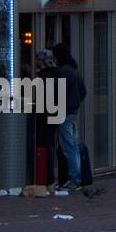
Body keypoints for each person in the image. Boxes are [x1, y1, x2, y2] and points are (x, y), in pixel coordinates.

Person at [41, 46, 86, 189]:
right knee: (73, 145)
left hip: (64, 113)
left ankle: (74, 179)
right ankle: (77, 177)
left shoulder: (62, 73)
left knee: (68, 147)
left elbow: (54, 91)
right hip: (73, 112)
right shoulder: (74, 71)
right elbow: (83, 91)